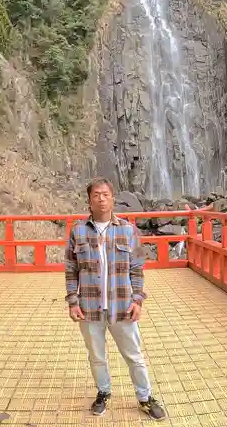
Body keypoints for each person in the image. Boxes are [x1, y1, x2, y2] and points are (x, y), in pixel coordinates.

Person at [64, 178, 166, 421]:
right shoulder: (78, 231)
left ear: (112, 198)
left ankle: (145, 397)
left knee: (134, 355)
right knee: (97, 356)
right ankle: (103, 392)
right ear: (89, 200)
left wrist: (138, 300)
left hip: (122, 306)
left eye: (105, 194)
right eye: (96, 195)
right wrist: (72, 301)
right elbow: (71, 268)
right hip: (89, 308)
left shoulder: (128, 230)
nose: (101, 198)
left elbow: (137, 267)